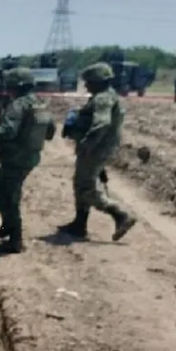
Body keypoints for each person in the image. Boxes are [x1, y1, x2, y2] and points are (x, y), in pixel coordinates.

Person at [0, 67, 56, 254]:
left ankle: (16, 239)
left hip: (15, 159)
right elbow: (50, 133)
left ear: (14, 87)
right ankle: (8, 226)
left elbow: (7, 132)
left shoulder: (17, 105)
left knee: (9, 198)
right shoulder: (40, 104)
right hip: (29, 157)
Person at [59, 62, 137, 241]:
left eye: (89, 82)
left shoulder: (102, 98)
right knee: (81, 183)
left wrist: (87, 144)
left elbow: (102, 123)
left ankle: (121, 215)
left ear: (98, 82)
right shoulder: (107, 96)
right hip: (100, 147)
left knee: (85, 186)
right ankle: (79, 224)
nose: (86, 85)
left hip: (95, 148)